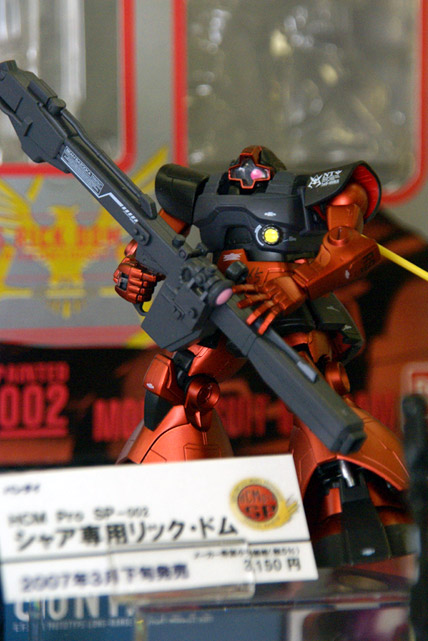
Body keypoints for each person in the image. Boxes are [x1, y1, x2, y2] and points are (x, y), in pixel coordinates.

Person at [113, 146, 411, 566]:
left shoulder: (306, 191)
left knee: (320, 395)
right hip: (215, 301)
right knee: (174, 388)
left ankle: (351, 514)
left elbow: (353, 248)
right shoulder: (196, 192)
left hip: (282, 304)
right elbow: (155, 243)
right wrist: (136, 271)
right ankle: (166, 517)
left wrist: (300, 283)